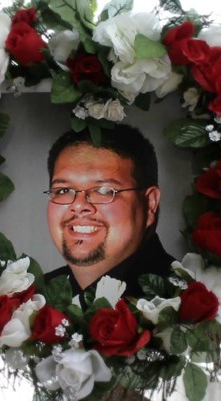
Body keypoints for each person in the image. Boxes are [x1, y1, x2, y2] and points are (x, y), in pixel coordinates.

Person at [44, 124, 174, 306]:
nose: (79, 205)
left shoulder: (190, 305)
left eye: (104, 190)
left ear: (150, 204)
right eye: (63, 190)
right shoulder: (31, 301)